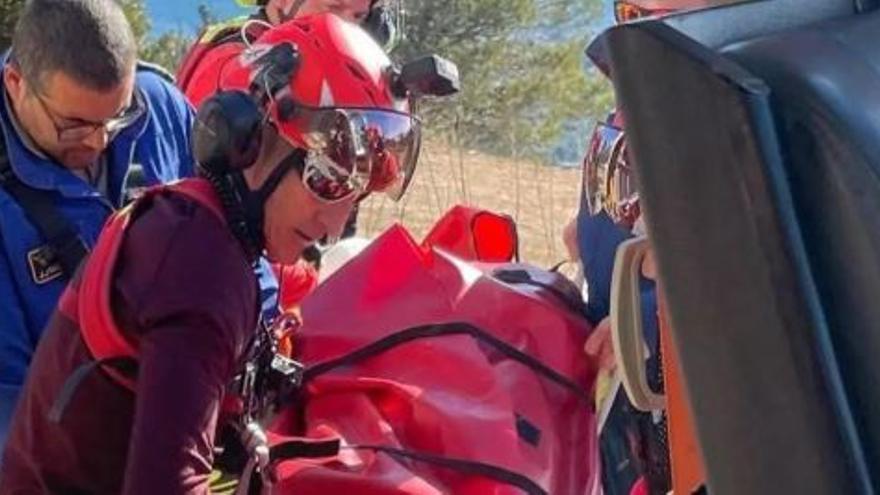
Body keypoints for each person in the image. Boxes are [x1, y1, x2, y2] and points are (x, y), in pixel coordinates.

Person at [0, 13, 422, 494]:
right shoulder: (200, 270)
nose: (332, 224)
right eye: (324, 182)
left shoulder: (205, 214)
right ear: (249, 141)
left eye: (355, 196)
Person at [0, 0, 195, 448]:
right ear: (16, 83)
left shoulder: (159, 107)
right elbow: (9, 411)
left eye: (116, 117)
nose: (99, 140)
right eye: (74, 125)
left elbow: (233, 239)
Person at [177, 0, 398, 109]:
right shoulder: (233, 62)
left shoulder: (294, 56)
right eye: (333, 10)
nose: (346, 27)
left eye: (359, 17)